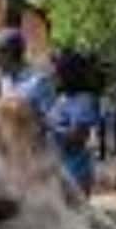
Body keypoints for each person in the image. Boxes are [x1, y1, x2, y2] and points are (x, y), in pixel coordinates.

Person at [47, 49, 100, 197]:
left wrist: (49, 128)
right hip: (58, 168)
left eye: (56, 73)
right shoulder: (61, 99)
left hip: (74, 171)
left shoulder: (84, 101)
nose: (52, 76)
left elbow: (78, 137)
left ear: (68, 75)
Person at [0, 28, 56, 123]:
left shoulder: (39, 82)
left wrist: (24, 114)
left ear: (8, 53)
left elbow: (51, 121)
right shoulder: (4, 81)